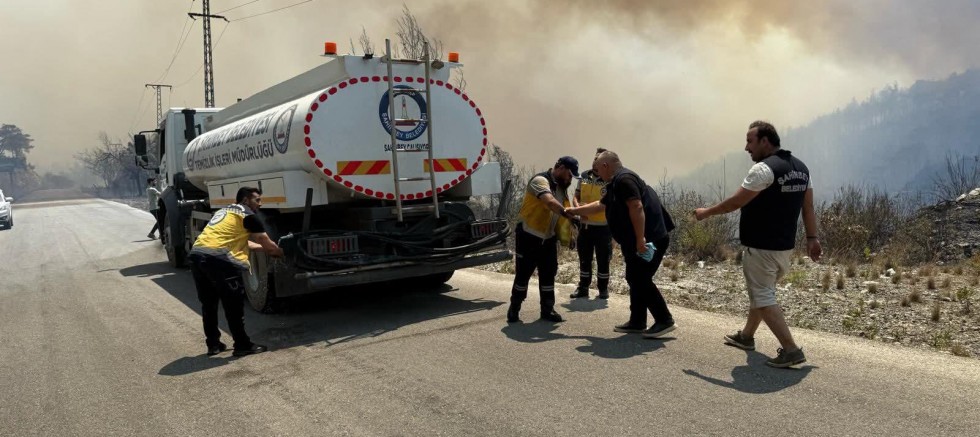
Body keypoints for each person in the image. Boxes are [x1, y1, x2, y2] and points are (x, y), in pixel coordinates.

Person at [694, 120, 821, 368]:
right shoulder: (802, 169)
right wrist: (812, 238)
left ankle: (791, 349)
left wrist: (706, 212)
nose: (746, 148)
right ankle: (746, 336)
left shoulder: (764, 170)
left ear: (765, 141)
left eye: (750, 141)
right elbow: (808, 207)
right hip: (784, 249)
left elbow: (735, 202)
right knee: (762, 291)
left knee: (762, 296)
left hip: (762, 248)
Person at [566, 151, 677, 338]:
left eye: (598, 169)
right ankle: (637, 321)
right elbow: (601, 206)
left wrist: (641, 239)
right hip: (636, 240)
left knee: (640, 278)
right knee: (635, 277)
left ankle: (664, 319)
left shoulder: (624, 180)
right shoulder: (615, 183)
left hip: (650, 239)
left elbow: (637, 206)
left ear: (606, 166)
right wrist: (575, 211)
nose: (597, 173)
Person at [188, 187, 284, 357]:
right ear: (246, 200)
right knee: (233, 305)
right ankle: (242, 345)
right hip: (219, 259)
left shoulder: (225, 212)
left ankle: (213, 344)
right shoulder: (248, 215)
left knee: (209, 304)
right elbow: (267, 242)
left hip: (198, 255)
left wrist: (263, 249)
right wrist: (280, 252)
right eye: (257, 200)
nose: (260, 204)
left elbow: (241, 242)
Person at [507, 156, 579, 324]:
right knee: (523, 275)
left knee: (549, 274)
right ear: (560, 168)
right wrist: (570, 215)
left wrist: (569, 236)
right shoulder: (540, 180)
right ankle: (514, 308)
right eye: (569, 175)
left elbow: (560, 217)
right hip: (529, 236)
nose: (570, 179)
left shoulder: (561, 188)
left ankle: (547, 309)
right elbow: (549, 201)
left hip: (548, 239)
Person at [569, 148, 612, 300]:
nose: (595, 162)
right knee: (584, 258)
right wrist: (577, 208)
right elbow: (576, 195)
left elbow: (604, 204)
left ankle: (603, 289)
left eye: (599, 160)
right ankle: (583, 287)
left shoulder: (609, 179)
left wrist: (585, 210)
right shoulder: (584, 176)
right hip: (585, 226)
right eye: (594, 159)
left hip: (603, 227)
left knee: (603, 259)